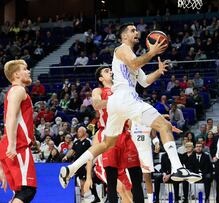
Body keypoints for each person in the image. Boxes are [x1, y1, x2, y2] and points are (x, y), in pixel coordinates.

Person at [59, 23, 201, 188]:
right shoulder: (121, 49)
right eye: (133, 30)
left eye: (137, 30)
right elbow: (134, 63)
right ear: (124, 36)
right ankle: (178, 169)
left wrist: (158, 71)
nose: (137, 32)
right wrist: (152, 52)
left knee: (107, 144)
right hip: (126, 98)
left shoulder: (130, 56)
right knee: (164, 126)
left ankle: (71, 169)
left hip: (117, 103)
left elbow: (144, 81)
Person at [83, 66, 143, 202]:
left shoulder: (122, 89)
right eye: (106, 71)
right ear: (100, 78)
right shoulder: (99, 90)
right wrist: (88, 177)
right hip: (109, 133)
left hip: (124, 134)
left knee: (135, 180)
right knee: (115, 185)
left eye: (110, 69)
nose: (110, 71)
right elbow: (97, 104)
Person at [0, 60, 37, 202]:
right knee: (27, 191)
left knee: (19, 192)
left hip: (12, 143)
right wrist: (12, 144)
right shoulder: (18, 90)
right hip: (17, 145)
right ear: (16, 74)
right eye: (25, 69)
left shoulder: (15, 91)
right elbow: (11, 117)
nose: (28, 71)